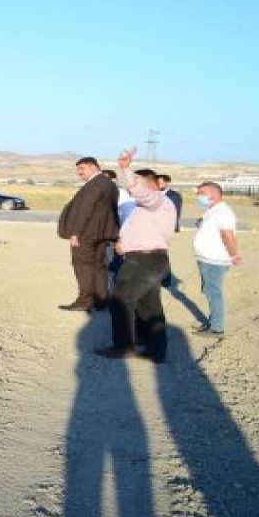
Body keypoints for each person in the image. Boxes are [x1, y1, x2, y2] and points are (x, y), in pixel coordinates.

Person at [95, 148, 177, 363]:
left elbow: (140, 190)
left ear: (147, 184)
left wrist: (125, 168)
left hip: (143, 261)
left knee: (121, 301)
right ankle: (155, 350)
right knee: (149, 306)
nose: (131, 188)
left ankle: (124, 347)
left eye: (137, 183)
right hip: (150, 260)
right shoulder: (149, 206)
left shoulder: (155, 200)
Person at [57, 157, 120, 312]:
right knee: (99, 266)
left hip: (87, 233)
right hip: (102, 233)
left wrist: (75, 233)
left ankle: (85, 301)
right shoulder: (110, 184)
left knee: (82, 266)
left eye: (82, 169)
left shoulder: (94, 184)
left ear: (93, 167)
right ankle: (101, 299)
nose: (79, 173)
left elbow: (86, 210)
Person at [191, 182, 241, 336]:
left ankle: (216, 328)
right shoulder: (213, 210)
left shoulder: (223, 212)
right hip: (207, 258)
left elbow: (228, 236)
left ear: (214, 193)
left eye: (202, 193)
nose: (199, 196)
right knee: (209, 291)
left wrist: (234, 255)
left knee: (213, 293)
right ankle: (213, 322)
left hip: (214, 260)